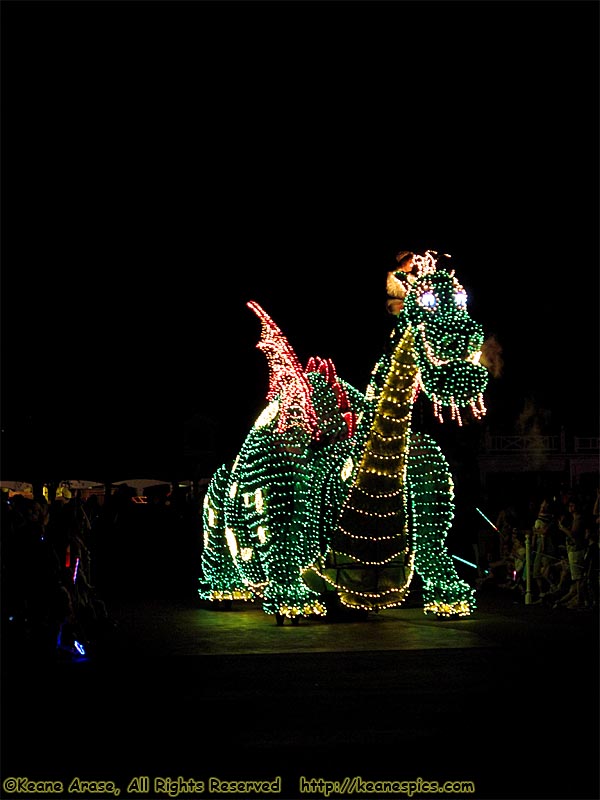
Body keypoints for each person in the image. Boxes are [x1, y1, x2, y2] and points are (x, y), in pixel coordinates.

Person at [554, 499, 586, 609]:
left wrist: (563, 529)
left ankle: (580, 600)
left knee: (578, 577)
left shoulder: (578, 519)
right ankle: (577, 598)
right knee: (576, 577)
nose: (570, 508)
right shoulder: (574, 519)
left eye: (573, 505)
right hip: (573, 550)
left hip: (577, 550)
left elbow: (573, 535)